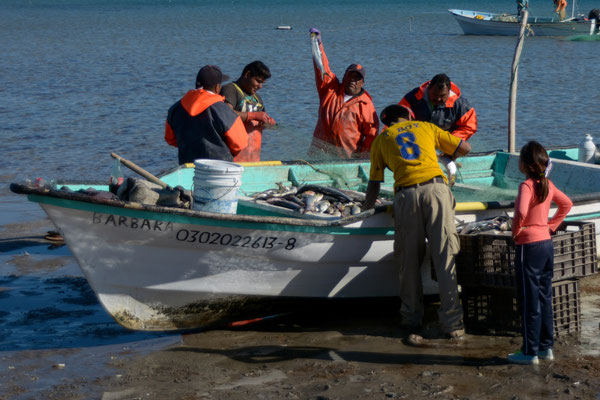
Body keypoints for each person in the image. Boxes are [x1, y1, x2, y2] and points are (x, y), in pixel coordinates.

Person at [364, 104, 471, 341]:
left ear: (387, 123)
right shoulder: (426, 127)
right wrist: (447, 155)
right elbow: (465, 147)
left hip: (406, 196)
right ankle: (452, 324)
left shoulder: (381, 140)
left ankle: (411, 320)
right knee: (445, 256)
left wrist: (366, 211)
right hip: (437, 191)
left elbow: (374, 183)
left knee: (408, 260)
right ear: (408, 116)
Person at [507, 141, 572, 365]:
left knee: (529, 299)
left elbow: (521, 212)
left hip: (529, 246)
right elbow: (567, 205)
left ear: (525, 164)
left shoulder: (526, 186)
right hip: (546, 244)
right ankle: (546, 347)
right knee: (544, 297)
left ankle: (529, 351)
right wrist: (551, 226)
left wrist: (516, 233)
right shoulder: (547, 184)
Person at [308, 28, 379, 159]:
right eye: (350, 76)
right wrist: (317, 44)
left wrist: (361, 158)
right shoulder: (329, 89)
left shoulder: (366, 105)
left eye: (357, 78)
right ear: (344, 77)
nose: (353, 80)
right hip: (318, 155)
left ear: (362, 83)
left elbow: (371, 136)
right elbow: (321, 67)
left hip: (345, 159)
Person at [399, 74, 476, 182]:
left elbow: (469, 126)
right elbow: (399, 123)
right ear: (429, 88)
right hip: (419, 141)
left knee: (465, 148)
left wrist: (449, 145)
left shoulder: (460, 104)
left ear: (449, 92)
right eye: (435, 95)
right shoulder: (412, 98)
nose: (438, 99)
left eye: (442, 96)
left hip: (445, 141)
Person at [165, 65, 248, 165]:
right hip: (218, 168)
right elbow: (240, 143)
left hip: (187, 167)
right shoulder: (223, 110)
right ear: (218, 87)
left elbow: (170, 139)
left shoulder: (175, 109)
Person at [221, 61, 276, 162]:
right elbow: (226, 114)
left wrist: (268, 122)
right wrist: (252, 115)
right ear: (247, 75)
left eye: (262, 83)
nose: (260, 86)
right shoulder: (230, 90)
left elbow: (261, 119)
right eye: (258, 81)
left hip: (253, 160)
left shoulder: (257, 98)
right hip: (233, 161)